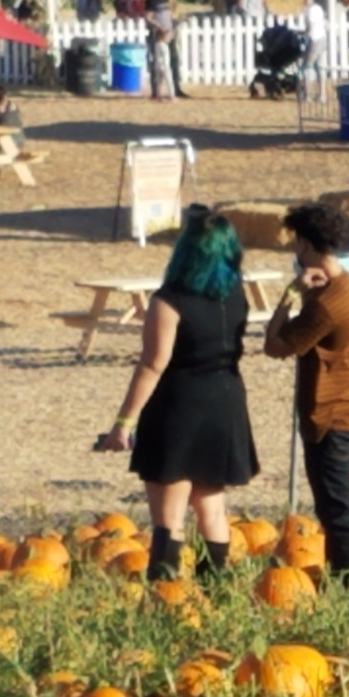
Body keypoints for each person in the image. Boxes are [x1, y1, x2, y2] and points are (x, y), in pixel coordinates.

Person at [98, 208, 260, 584]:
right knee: (212, 510)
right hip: (226, 401)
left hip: (179, 405)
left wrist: (124, 422)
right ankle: (216, 595)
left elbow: (153, 364)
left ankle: (166, 599)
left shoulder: (169, 300)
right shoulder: (236, 294)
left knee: (168, 519)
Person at [263, 204, 349, 581]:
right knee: (338, 509)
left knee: (336, 513)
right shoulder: (348, 285)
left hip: (330, 416)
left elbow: (275, 345)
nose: (294, 250)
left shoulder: (325, 304)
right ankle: (347, 576)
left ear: (307, 243)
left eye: (296, 242)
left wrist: (290, 293)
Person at [145, 0, 177, 102]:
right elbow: (148, 17)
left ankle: (158, 93)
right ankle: (171, 94)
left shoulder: (168, 1)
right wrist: (160, 28)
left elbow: (171, 15)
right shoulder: (153, 0)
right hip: (159, 36)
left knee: (161, 67)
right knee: (164, 66)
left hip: (168, 35)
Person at [303, 0, 328, 102]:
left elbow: (311, 26)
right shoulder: (320, 9)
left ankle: (308, 95)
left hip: (314, 39)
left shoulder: (311, 10)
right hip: (323, 38)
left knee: (307, 66)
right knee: (320, 67)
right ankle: (322, 95)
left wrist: (306, 34)